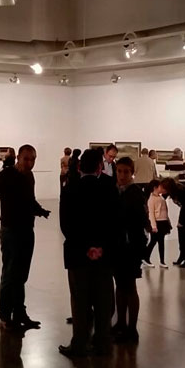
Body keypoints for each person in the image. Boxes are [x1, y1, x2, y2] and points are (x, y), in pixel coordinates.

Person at [59, 149, 118, 357]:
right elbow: (114, 223)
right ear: (100, 167)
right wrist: (100, 247)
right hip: (104, 256)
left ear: (79, 167)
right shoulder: (109, 188)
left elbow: (67, 225)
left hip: (78, 255)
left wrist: (86, 248)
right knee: (103, 301)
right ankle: (102, 343)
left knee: (79, 301)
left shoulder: (70, 189)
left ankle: (79, 344)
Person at [0, 145, 51, 331]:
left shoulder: (29, 176)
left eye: (33, 159)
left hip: (26, 229)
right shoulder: (8, 174)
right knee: (10, 274)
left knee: (21, 275)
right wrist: (4, 173)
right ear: (18, 158)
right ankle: (5, 315)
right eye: (26, 159)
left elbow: (29, 199)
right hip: (11, 231)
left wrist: (40, 211)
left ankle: (19, 313)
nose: (30, 163)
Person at [112, 157, 147, 343]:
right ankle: (121, 323)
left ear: (132, 173)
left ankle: (132, 329)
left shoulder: (135, 193)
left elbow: (139, 221)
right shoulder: (116, 191)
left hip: (131, 247)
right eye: (119, 171)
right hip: (118, 246)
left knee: (130, 287)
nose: (122, 175)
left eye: (126, 171)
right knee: (120, 286)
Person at [144, 179, 172, 269]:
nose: (161, 188)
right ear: (155, 187)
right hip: (157, 223)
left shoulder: (161, 197)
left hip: (163, 222)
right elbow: (151, 214)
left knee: (161, 242)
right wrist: (153, 226)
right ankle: (145, 257)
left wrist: (168, 220)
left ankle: (162, 261)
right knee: (153, 241)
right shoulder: (151, 199)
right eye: (160, 186)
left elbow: (165, 211)